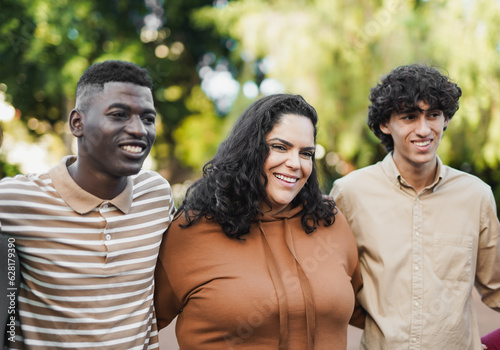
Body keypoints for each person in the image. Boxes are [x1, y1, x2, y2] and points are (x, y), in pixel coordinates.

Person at [154, 94, 364, 349]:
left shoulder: (329, 222)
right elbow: (138, 325)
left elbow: (364, 308)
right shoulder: (190, 231)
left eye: (305, 153)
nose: (295, 164)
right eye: (280, 147)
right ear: (249, 149)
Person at [0, 60, 175, 349]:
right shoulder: (19, 199)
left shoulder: (156, 194)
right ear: (77, 123)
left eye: (148, 118)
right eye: (119, 115)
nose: (139, 130)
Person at [330, 63, 500, 349]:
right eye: (409, 117)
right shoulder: (350, 193)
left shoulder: (476, 195)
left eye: (433, 115)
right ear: (385, 124)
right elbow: (334, 285)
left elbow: (495, 286)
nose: (424, 130)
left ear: (445, 119)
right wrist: (381, 324)